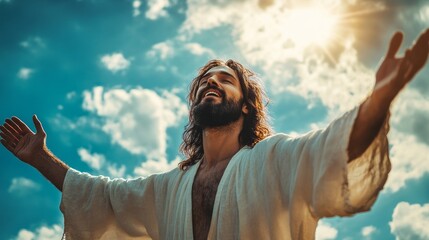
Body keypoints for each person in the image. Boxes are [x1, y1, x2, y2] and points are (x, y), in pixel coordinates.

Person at [0, 29, 428, 240]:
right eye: (204, 80)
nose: (210, 83)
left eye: (224, 79)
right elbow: (102, 198)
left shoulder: (273, 158)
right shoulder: (168, 187)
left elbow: (331, 149)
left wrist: (380, 97)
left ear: (246, 104)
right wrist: (41, 159)